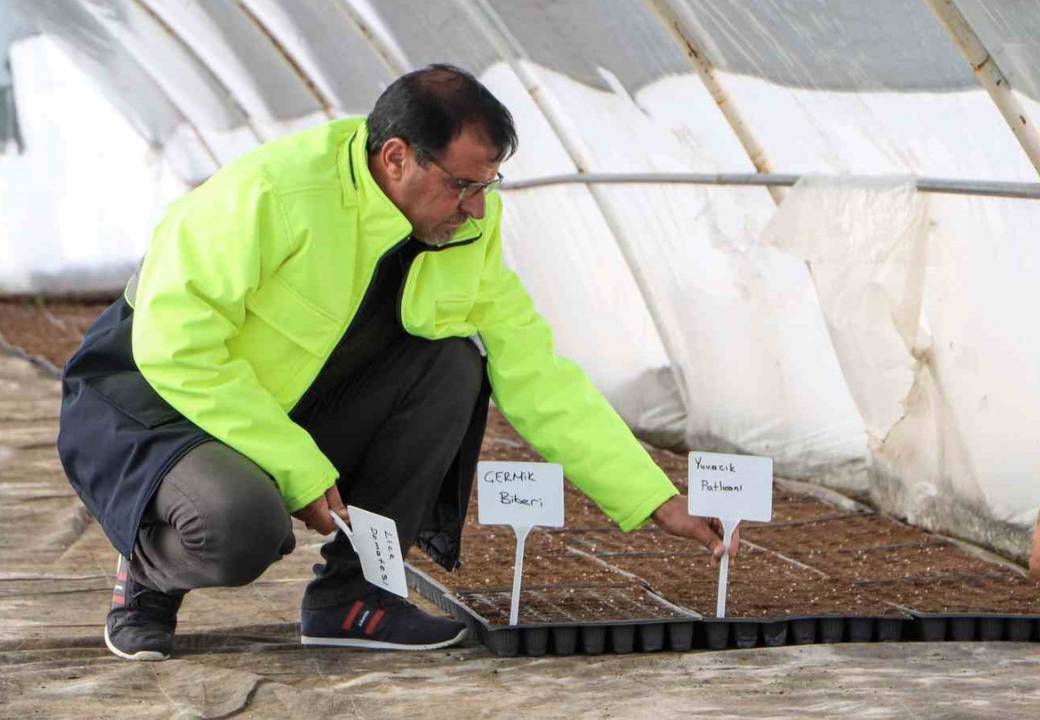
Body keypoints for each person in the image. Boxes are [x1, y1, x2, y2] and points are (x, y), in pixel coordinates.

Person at [57, 64, 736, 662]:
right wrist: (296, 466)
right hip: (154, 404)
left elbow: (536, 371)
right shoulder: (270, 193)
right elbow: (177, 351)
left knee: (453, 365)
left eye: (489, 185)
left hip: (282, 402)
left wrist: (652, 497)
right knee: (240, 526)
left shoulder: (467, 225)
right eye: (463, 185)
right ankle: (146, 568)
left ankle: (353, 599)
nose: (476, 208)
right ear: (395, 158)